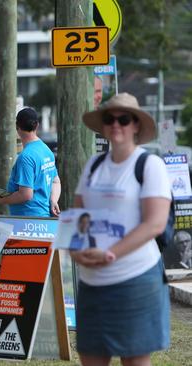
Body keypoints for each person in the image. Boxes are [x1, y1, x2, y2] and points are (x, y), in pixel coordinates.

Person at [73, 93, 172, 365]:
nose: (116, 124)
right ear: (103, 126)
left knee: (135, 360)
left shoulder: (149, 165)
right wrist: (76, 251)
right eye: (109, 118)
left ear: (136, 125)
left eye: (124, 119)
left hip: (136, 279)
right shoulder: (93, 166)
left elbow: (155, 222)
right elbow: (77, 217)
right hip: (92, 281)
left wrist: (111, 253)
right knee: (90, 356)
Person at [0, 107, 61, 217]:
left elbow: (26, 195)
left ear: (17, 127)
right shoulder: (46, 151)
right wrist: (54, 201)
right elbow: (56, 181)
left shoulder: (26, 157)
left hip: (27, 221)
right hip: (44, 219)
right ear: (37, 125)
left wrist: (1, 199)